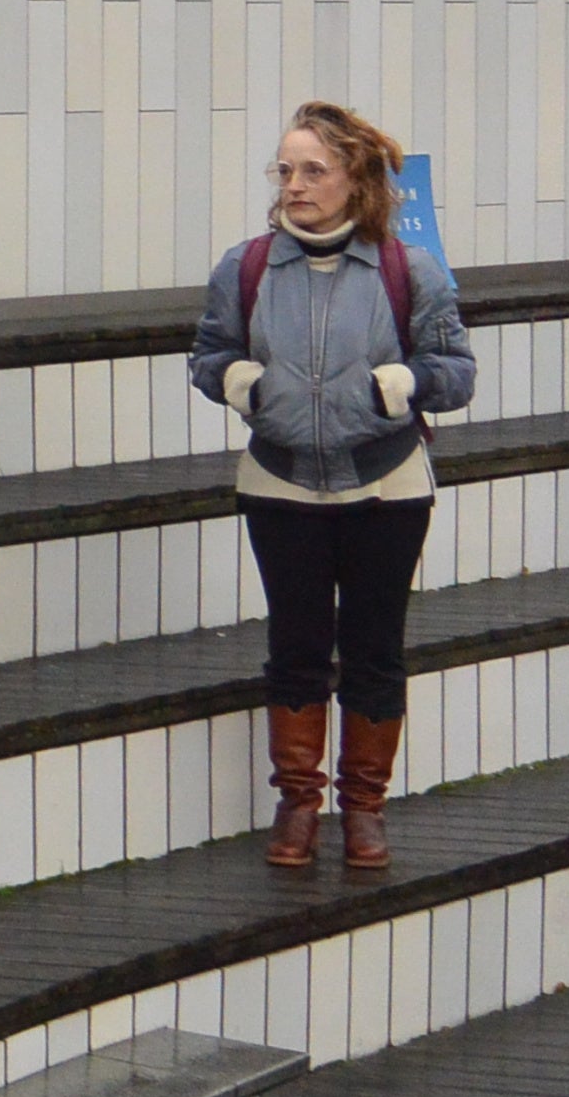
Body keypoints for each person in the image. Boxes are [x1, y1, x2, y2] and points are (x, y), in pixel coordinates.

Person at [188, 104, 474, 870]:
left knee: (376, 648)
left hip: (387, 486)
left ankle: (365, 808)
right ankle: (298, 803)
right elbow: (207, 354)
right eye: (284, 169)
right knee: (296, 645)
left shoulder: (408, 271)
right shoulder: (244, 266)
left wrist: (408, 381)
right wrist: (236, 382)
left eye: (314, 169)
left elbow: (457, 375)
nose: (295, 184)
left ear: (357, 179)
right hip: (279, 484)